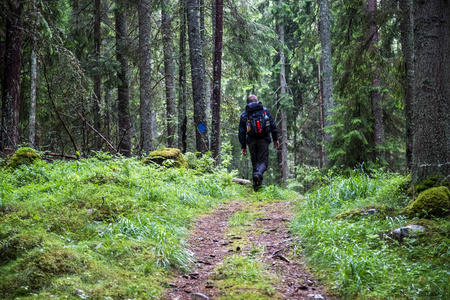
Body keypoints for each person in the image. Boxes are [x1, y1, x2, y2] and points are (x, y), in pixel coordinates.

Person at [239, 95, 279, 191]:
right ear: (257, 101)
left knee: (255, 163)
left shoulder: (244, 114)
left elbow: (241, 131)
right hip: (264, 139)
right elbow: (272, 125)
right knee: (263, 162)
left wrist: (243, 146)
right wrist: (275, 139)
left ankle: (257, 188)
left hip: (251, 141)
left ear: (247, 103)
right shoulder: (265, 111)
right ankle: (257, 180)